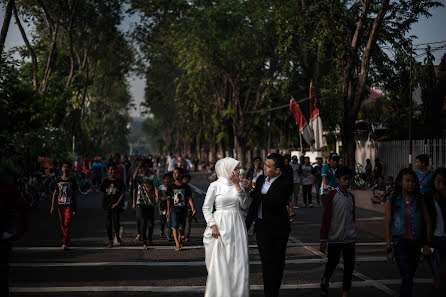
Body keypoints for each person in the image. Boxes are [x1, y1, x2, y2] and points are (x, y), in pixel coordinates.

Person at [245, 153, 293, 297]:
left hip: (278, 230)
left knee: (277, 264)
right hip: (262, 229)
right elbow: (255, 204)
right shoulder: (260, 180)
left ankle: (274, 293)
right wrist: (246, 225)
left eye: (267, 165)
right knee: (266, 264)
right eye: (264, 164)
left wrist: (252, 191)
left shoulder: (285, 182)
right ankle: (268, 293)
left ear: (277, 170)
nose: (263, 167)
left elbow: (273, 202)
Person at [202, 157, 251, 297]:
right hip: (220, 224)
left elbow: (245, 205)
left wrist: (237, 186)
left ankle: (238, 293)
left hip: (237, 224)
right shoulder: (215, 186)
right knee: (221, 261)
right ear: (226, 169)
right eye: (235, 169)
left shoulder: (239, 185)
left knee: (239, 260)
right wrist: (212, 225)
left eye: (238, 169)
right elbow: (206, 207)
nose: (237, 171)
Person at [385, 168, 432, 297]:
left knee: (410, 277)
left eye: (413, 181)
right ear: (400, 182)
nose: (411, 184)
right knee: (406, 276)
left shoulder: (419, 199)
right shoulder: (392, 200)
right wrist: (389, 247)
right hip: (400, 243)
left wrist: (426, 244)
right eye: (408, 181)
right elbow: (388, 225)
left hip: (416, 244)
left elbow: (427, 222)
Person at [320, 166, 356, 297]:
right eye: (344, 179)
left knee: (349, 266)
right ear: (337, 180)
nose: (347, 182)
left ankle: (345, 291)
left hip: (349, 239)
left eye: (349, 179)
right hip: (335, 238)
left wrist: (353, 232)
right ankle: (325, 280)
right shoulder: (331, 195)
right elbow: (326, 218)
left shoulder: (351, 197)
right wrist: (323, 239)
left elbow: (353, 217)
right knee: (332, 263)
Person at [1, 168, 29, 297]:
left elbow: (23, 210)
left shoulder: (7, 188)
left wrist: (18, 232)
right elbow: (23, 210)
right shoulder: (8, 188)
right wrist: (18, 232)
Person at [424, 168, 446, 297]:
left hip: (444, 239)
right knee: (436, 272)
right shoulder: (427, 197)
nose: (441, 185)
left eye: (444, 182)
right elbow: (424, 221)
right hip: (433, 239)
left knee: (442, 272)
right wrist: (424, 243)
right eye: (438, 181)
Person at [50, 161, 78, 250]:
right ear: (61, 168)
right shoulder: (58, 180)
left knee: (67, 222)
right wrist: (52, 206)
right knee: (62, 224)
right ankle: (68, 238)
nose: (65, 168)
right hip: (60, 205)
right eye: (64, 167)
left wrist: (75, 207)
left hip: (69, 204)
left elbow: (74, 194)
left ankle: (65, 242)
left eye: (67, 167)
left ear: (70, 169)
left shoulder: (72, 180)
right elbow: (55, 194)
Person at [132, 159, 159, 250]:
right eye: (144, 167)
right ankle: (144, 242)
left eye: (147, 167)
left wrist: (156, 197)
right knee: (143, 222)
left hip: (150, 202)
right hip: (140, 202)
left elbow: (156, 188)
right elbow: (133, 177)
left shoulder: (152, 177)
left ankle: (149, 237)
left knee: (151, 223)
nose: (146, 168)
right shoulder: (139, 177)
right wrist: (138, 166)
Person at [167, 167, 196, 251]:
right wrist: (168, 211)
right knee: (174, 226)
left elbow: (189, 197)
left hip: (183, 210)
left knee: (181, 227)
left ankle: (179, 238)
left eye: (176, 173)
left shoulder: (185, 187)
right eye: (174, 174)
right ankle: (177, 243)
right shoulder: (171, 186)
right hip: (173, 210)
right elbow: (168, 199)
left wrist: (192, 207)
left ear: (181, 175)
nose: (175, 175)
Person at [100, 164, 125, 248]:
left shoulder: (119, 181)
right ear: (108, 171)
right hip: (108, 205)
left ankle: (117, 236)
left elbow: (122, 194)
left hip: (116, 205)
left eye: (113, 170)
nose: (112, 171)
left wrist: (118, 203)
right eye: (110, 170)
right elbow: (103, 194)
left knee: (116, 222)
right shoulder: (105, 182)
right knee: (108, 224)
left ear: (116, 171)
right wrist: (102, 204)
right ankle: (110, 240)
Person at [182, 174, 195, 242]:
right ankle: (181, 234)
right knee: (181, 222)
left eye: (187, 179)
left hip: (187, 207)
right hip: (180, 207)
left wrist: (192, 207)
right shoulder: (178, 186)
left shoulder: (188, 188)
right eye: (185, 179)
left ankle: (187, 236)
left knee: (188, 222)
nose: (186, 180)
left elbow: (190, 198)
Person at [158, 174, 171, 239]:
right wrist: (162, 198)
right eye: (165, 179)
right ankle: (162, 232)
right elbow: (157, 197)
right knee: (162, 220)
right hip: (162, 206)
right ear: (163, 180)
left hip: (170, 206)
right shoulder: (160, 187)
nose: (167, 180)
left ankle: (169, 234)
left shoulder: (171, 187)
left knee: (169, 221)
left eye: (168, 179)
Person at [283, 155, 296, 219]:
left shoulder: (290, 167)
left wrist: (292, 185)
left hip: (289, 186)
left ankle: (290, 213)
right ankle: (287, 214)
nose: (287, 160)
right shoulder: (281, 167)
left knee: (289, 200)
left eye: (288, 159)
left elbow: (292, 176)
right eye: (286, 159)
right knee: (285, 201)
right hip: (283, 186)